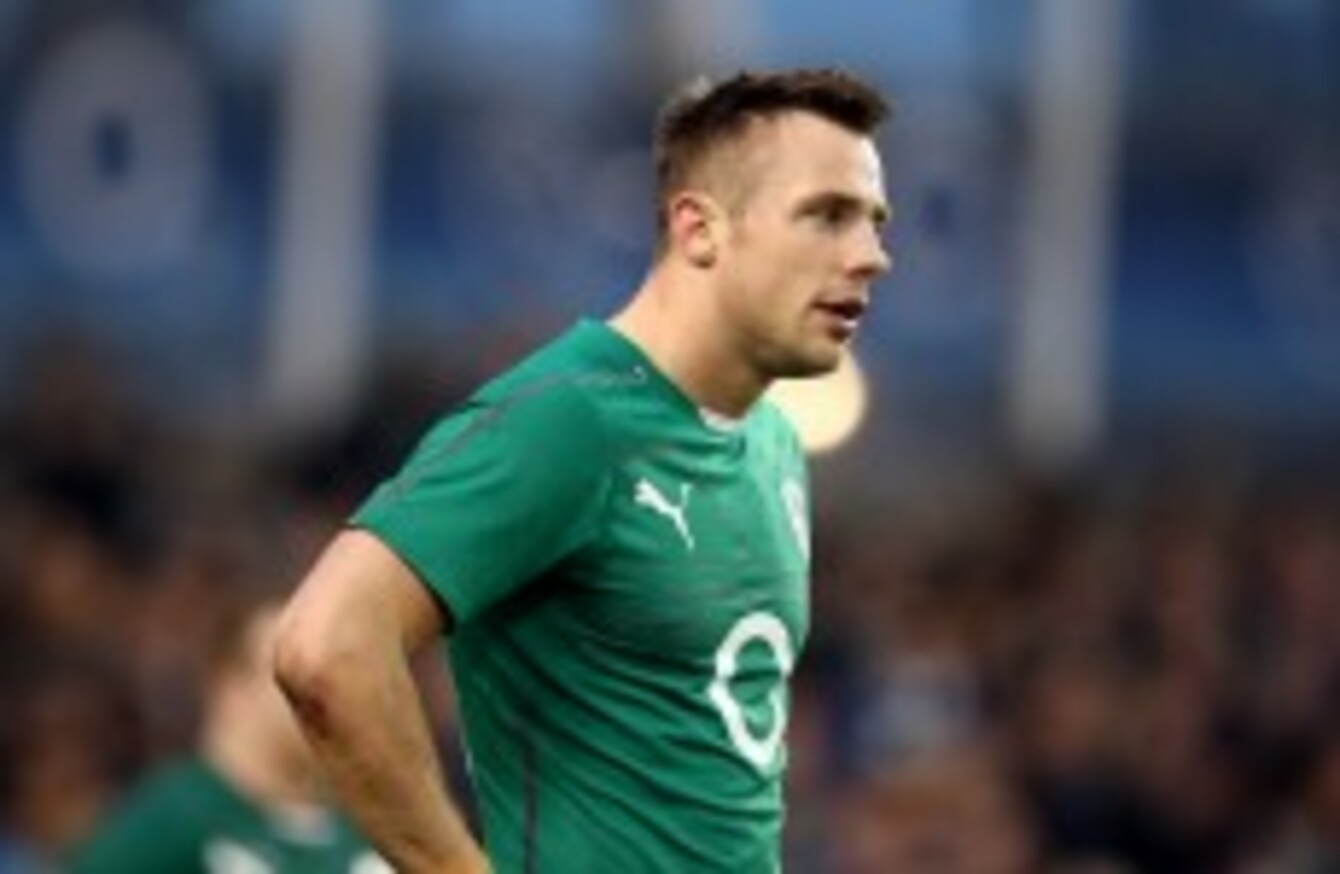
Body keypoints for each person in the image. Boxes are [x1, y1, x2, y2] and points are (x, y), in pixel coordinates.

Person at [273, 67, 893, 873]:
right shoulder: (569, 420)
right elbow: (325, 646)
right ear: (699, 230)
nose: (872, 256)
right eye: (828, 216)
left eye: (875, 222)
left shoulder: (771, 438)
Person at [68, 596, 388, 873]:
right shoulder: (175, 818)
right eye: (293, 673)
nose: (318, 694)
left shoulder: (366, 824)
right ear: (231, 688)